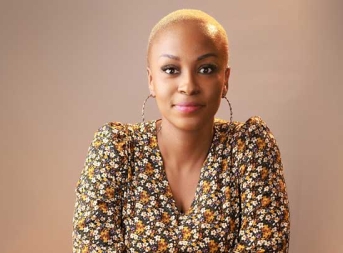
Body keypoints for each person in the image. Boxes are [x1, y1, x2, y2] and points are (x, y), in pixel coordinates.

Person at [72, 9, 290, 253]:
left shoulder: (250, 147)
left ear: (225, 79)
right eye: (171, 69)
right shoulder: (115, 150)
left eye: (206, 69)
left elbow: (267, 246)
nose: (188, 86)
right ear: (151, 80)